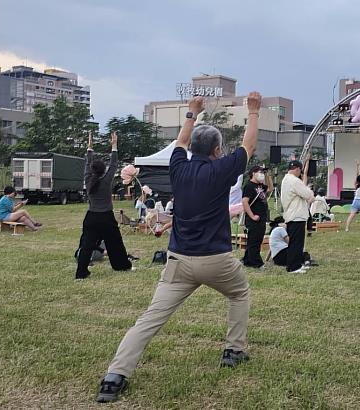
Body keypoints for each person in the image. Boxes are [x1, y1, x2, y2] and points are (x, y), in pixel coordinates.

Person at [96, 92, 261, 403]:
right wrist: (252, 112)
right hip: (216, 260)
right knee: (239, 293)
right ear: (216, 150)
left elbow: (181, 142)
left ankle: (114, 376)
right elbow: (248, 146)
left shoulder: (177, 167)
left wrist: (191, 113)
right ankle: (233, 351)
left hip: (179, 261)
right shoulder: (221, 170)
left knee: (149, 319)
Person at [76, 131, 133, 280]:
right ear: (103, 171)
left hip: (91, 217)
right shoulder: (106, 180)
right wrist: (114, 145)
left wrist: (89, 147)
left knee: (86, 245)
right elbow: (114, 164)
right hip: (106, 217)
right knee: (115, 243)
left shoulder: (88, 179)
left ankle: (81, 272)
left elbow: (87, 163)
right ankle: (122, 265)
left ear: (92, 171)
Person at [280, 157, 314, 273]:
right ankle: (293, 267)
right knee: (296, 243)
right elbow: (307, 194)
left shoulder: (286, 179)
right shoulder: (294, 180)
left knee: (296, 242)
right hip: (296, 215)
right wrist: (310, 192)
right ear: (298, 169)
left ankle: (296, 264)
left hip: (292, 214)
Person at [241, 165, 272, 269]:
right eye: (260, 172)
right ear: (253, 173)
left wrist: (268, 175)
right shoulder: (249, 186)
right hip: (254, 218)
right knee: (255, 240)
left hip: (262, 217)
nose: (262, 174)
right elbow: (245, 202)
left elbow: (270, 188)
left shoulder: (260, 186)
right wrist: (252, 216)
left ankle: (247, 260)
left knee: (255, 240)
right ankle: (256, 263)